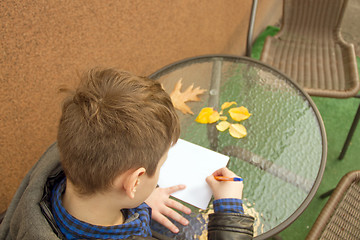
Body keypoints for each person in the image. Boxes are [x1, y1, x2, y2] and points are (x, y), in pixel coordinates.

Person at [0, 68, 254, 239]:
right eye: (162, 163)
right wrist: (229, 210)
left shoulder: (52, 175)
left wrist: (138, 201)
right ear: (133, 181)